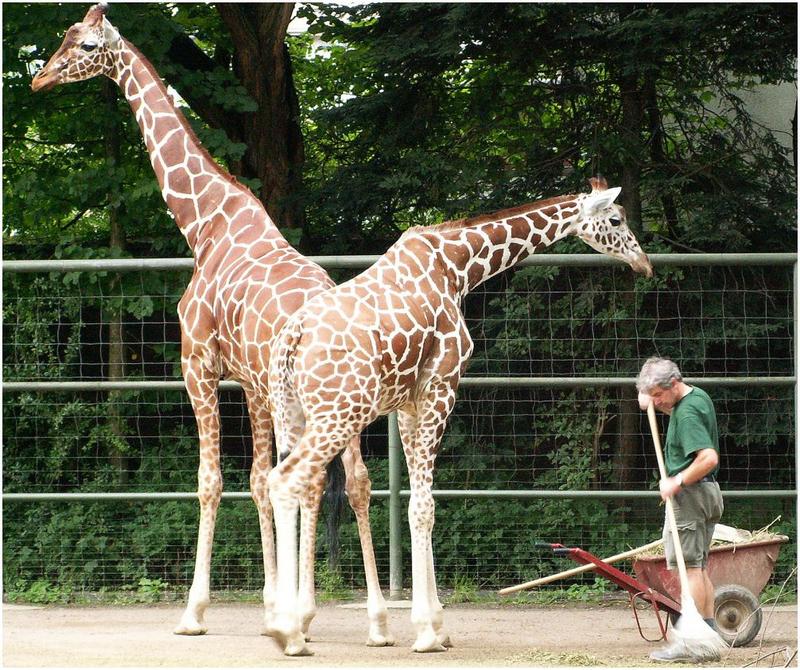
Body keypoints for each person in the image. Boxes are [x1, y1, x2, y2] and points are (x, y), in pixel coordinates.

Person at [636, 357, 724, 663]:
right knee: (698, 567)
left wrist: (676, 481)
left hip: (690, 496)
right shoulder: (695, 397)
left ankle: (692, 643)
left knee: (689, 570)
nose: (656, 402)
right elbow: (657, 389)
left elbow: (708, 458)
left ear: (673, 384)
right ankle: (708, 636)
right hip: (708, 494)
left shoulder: (685, 416)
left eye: (659, 395)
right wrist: (647, 396)